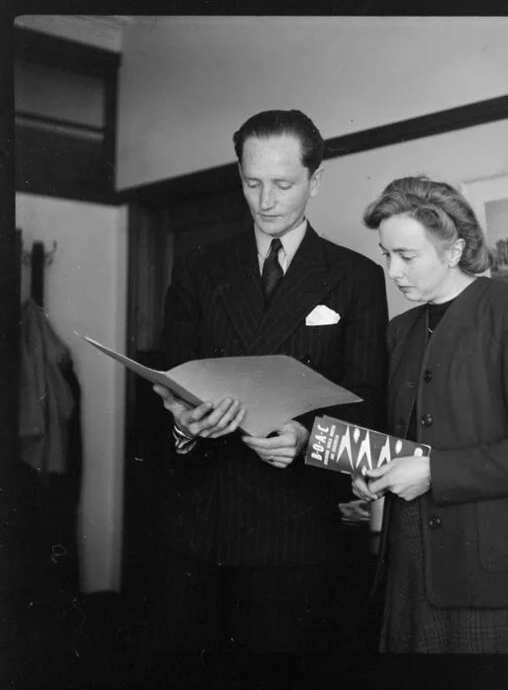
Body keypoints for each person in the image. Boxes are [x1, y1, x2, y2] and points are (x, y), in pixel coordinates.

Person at [151, 109, 388, 654]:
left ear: (315, 180)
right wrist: (183, 425)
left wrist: (308, 441)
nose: (266, 201)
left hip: (297, 532)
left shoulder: (356, 278)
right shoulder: (198, 268)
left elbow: (370, 402)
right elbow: (168, 381)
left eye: (284, 184)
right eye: (252, 183)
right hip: (199, 526)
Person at [352, 175, 508, 654]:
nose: (392, 271)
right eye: (386, 254)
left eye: (406, 256)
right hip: (408, 562)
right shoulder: (400, 330)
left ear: (454, 251)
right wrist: (372, 472)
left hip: (489, 573)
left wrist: (433, 471)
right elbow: (407, 435)